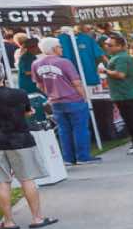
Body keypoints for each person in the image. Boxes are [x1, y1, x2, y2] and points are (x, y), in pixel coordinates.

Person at [0, 57, 55, 229]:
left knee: (1, 182)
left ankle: (8, 221)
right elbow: (27, 112)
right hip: (20, 140)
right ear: (2, 74)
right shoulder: (19, 94)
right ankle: (37, 218)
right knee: (27, 180)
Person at [29, 38, 96, 168]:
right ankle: (83, 156)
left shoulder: (36, 64)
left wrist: (50, 94)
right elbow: (76, 82)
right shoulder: (64, 62)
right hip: (73, 98)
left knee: (64, 130)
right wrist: (84, 97)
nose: (61, 49)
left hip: (55, 101)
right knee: (80, 128)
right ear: (54, 48)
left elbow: (39, 84)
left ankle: (68, 158)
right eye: (60, 46)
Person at [100, 34, 133, 155]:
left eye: (110, 45)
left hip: (125, 94)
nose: (107, 47)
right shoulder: (117, 57)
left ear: (120, 46)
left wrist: (105, 70)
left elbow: (120, 74)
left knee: (132, 121)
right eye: (107, 45)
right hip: (121, 94)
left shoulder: (121, 58)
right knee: (129, 121)